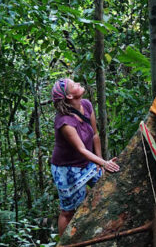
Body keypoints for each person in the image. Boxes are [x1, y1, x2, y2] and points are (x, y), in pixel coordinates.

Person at [50, 78, 119, 235]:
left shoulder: (86, 105)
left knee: (105, 188)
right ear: (68, 96)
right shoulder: (64, 122)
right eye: (74, 85)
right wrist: (104, 163)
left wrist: (100, 163)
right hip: (67, 169)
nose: (78, 84)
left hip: (88, 162)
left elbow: (95, 135)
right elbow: (81, 149)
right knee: (68, 212)